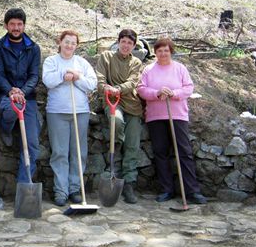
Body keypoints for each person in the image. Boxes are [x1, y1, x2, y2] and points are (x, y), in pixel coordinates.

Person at [137, 37, 207, 204]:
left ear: (171, 51)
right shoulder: (148, 70)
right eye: (160, 50)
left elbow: (188, 88)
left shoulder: (180, 68)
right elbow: (141, 89)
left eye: (166, 50)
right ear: (155, 52)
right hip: (156, 116)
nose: (163, 54)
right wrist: (157, 93)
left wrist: (174, 94)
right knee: (161, 152)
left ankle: (192, 191)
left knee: (184, 152)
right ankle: (166, 189)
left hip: (177, 115)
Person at [42, 30, 97, 206]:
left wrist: (77, 77)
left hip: (79, 112)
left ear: (77, 45)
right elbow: (47, 81)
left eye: (73, 43)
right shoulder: (51, 61)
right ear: (60, 42)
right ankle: (61, 190)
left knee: (78, 152)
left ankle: (74, 188)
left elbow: (92, 84)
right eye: (67, 42)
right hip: (57, 112)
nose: (69, 46)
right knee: (59, 152)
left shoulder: (82, 63)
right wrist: (63, 76)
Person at [0, 8, 41, 183]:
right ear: (6, 25)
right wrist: (11, 91)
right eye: (12, 24)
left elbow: (34, 75)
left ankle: (24, 185)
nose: (16, 27)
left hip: (28, 98)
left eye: (19, 24)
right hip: (6, 94)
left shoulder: (33, 48)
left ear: (24, 26)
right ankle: (6, 128)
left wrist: (22, 92)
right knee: (12, 110)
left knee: (32, 146)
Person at [95, 29, 143, 204]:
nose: (126, 45)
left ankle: (129, 183)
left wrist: (119, 88)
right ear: (118, 42)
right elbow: (100, 78)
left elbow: (133, 82)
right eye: (123, 41)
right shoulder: (106, 57)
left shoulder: (136, 62)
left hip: (132, 105)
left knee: (133, 144)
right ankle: (113, 169)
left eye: (130, 43)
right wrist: (106, 88)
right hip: (112, 101)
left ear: (133, 45)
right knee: (117, 121)